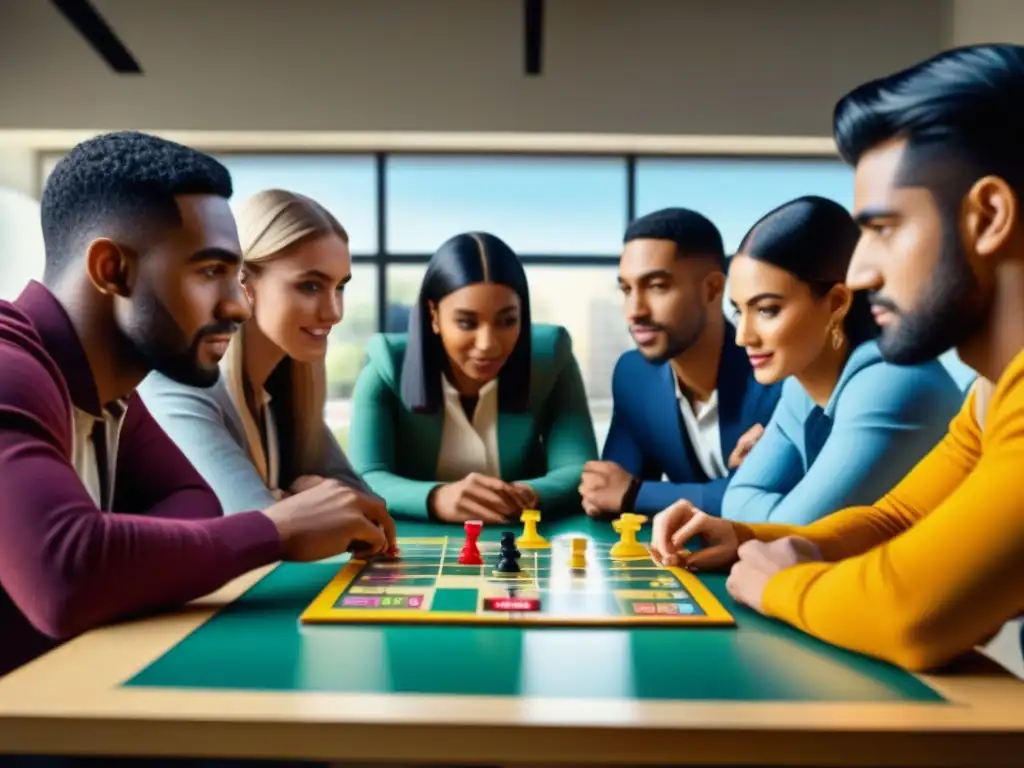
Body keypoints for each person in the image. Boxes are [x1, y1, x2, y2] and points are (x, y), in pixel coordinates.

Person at [649, 43, 1024, 672]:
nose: (859, 271)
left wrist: (777, 585)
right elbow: (898, 516)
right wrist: (743, 537)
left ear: (987, 217)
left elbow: (910, 612)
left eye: (883, 230)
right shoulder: (991, 393)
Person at [0, 131, 395, 680]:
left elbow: (197, 504)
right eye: (209, 272)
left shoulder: (115, 393)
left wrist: (118, 553)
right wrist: (275, 529)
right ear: (112, 270)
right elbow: (66, 574)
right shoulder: (8, 370)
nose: (237, 304)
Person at [720, 195, 962, 525]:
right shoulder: (801, 385)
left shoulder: (892, 383)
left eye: (766, 310)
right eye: (738, 310)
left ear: (836, 303)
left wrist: (776, 509)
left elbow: (797, 530)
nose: (743, 336)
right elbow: (737, 500)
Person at [139, 189, 375, 513]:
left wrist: (300, 504)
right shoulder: (179, 388)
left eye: (340, 287)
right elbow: (264, 532)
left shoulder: (287, 393)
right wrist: (302, 505)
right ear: (242, 284)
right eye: (310, 286)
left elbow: (369, 509)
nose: (334, 312)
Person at [348, 231, 598, 522]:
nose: (488, 343)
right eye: (466, 322)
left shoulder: (552, 356)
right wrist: (437, 498)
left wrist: (522, 495)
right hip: (417, 543)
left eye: (507, 321)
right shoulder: (388, 362)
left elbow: (578, 469)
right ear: (433, 316)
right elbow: (365, 477)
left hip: (522, 542)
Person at [580, 208, 782, 518]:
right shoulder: (635, 375)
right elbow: (609, 490)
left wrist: (639, 494)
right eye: (626, 289)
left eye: (657, 286)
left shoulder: (778, 374)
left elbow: (776, 495)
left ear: (713, 289)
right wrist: (613, 493)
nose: (635, 310)